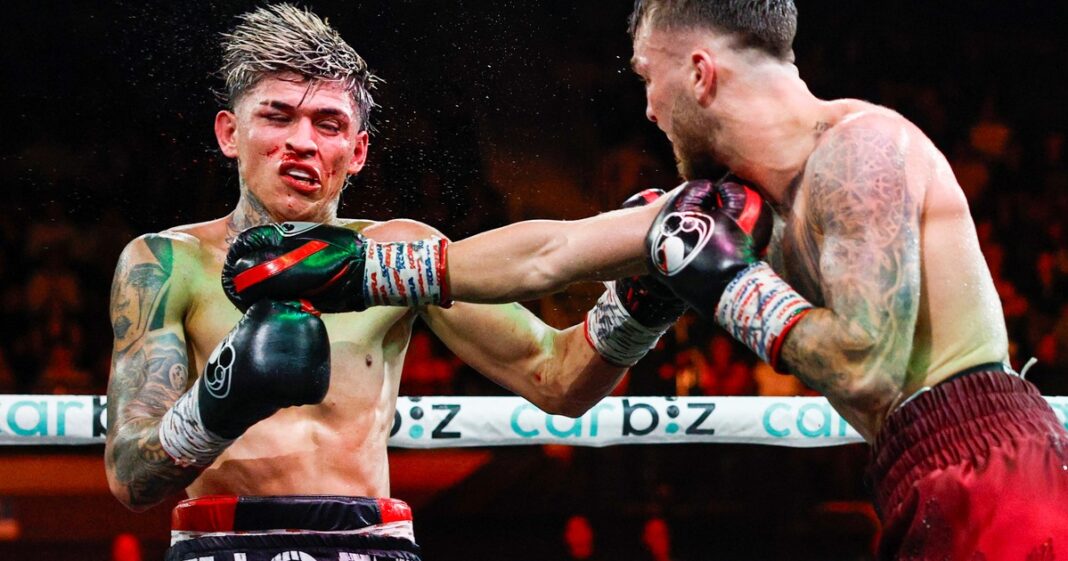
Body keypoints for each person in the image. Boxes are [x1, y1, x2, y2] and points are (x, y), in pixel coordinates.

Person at [103, 5, 680, 561]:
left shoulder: (396, 252)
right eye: (277, 116)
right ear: (230, 133)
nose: (303, 141)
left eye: (328, 124)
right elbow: (131, 475)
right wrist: (219, 403)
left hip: (369, 544)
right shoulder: (165, 262)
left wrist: (637, 310)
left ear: (356, 153)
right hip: (222, 544)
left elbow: (555, 377)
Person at [623, 1, 1068, 559]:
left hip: (985, 472)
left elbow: (866, 367)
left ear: (699, 71)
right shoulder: (737, 209)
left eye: (646, 77)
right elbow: (548, 255)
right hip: (925, 475)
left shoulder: (860, 149)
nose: (648, 110)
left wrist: (728, 284)